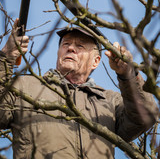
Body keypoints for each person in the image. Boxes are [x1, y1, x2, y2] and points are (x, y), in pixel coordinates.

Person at [0, 19, 158, 159]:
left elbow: (145, 117)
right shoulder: (25, 86)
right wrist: (5, 57)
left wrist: (129, 75)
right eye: (66, 44)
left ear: (96, 61)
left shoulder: (110, 101)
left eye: (80, 46)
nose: (70, 48)